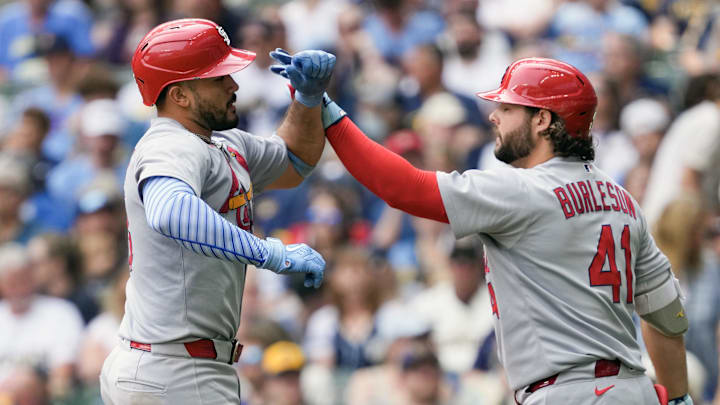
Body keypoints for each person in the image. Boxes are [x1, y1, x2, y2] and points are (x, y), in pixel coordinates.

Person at [270, 56, 693, 404]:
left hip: (567, 393)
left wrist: (326, 110)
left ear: (542, 120)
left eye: (508, 108)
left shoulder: (522, 189)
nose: (495, 115)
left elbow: (402, 188)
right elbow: (667, 315)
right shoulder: (622, 200)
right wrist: (677, 398)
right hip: (632, 390)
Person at [99, 19, 334, 404]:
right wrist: (271, 253)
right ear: (180, 95)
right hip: (172, 370)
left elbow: (296, 161)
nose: (234, 85)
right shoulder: (168, 144)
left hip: (176, 366)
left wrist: (306, 99)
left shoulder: (220, 143)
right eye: (217, 77)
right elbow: (170, 211)